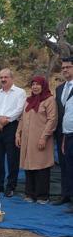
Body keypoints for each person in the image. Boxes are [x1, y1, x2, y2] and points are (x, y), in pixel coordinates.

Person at [15, 76, 57, 204]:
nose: (35, 87)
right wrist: (18, 134)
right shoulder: (28, 101)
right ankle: (30, 194)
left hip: (40, 140)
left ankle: (42, 196)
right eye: (32, 84)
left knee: (41, 167)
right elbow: (22, 119)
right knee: (29, 166)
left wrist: (44, 137)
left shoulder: (49, 100)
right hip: (28, 140)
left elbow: (52, 120)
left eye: (37, 84)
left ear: (43, 85)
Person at [0, 68, 26, 197]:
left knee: (12, 159)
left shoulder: (20, 92)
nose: (3, 79)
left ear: (12, 78)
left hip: (12, 127)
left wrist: (5, 120)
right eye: (1, 77)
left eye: (6, 77)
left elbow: (19, 109)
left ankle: (11, 186)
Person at [53, 56, 73, 205]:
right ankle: (65, 195)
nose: (65, 70)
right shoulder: (59, 88)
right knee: (65, 165)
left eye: (68, 67)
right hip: (62, 134)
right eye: (63, 68)